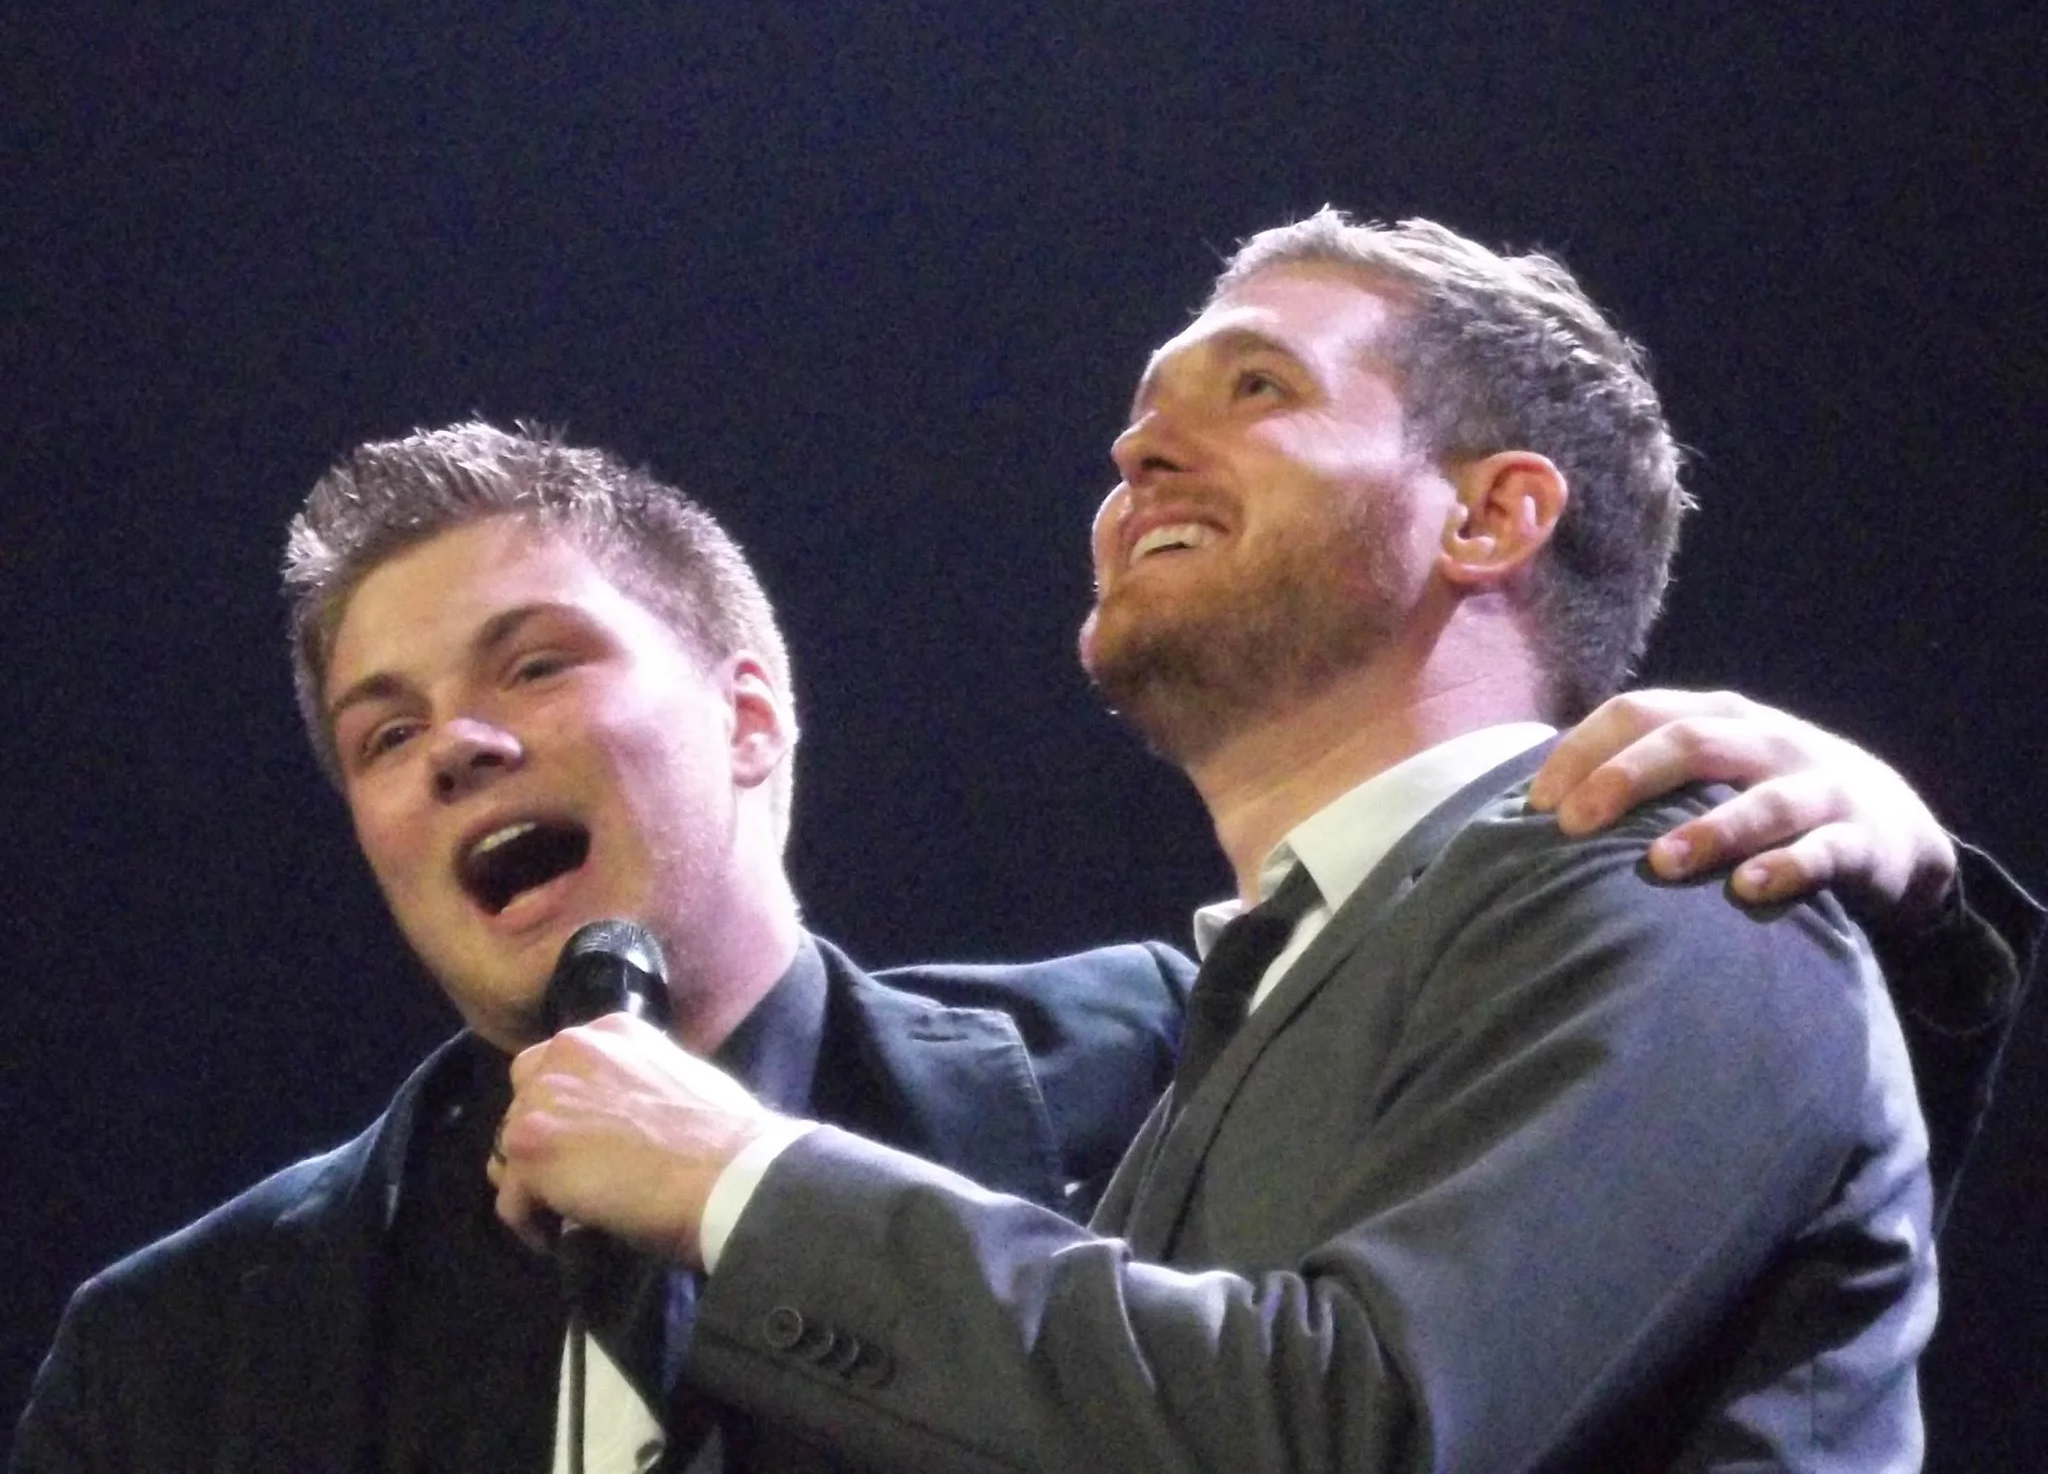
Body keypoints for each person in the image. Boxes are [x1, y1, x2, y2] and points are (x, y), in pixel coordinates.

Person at [11, 401, 2030, 1473]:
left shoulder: (1170, 1058)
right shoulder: (189, 1356)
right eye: (383, 733)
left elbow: (1642, 1289)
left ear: (744, 715)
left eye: (531, 665)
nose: (455, 743)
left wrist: (1888, 898)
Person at [477, 219, 2039, 1472]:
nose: (1136, 454)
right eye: (1140, 422)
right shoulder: (1247, 1014)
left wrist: (740, 1185)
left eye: (1257, 390)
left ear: (1491, 517)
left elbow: (1356, 1430)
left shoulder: (1668, 879)